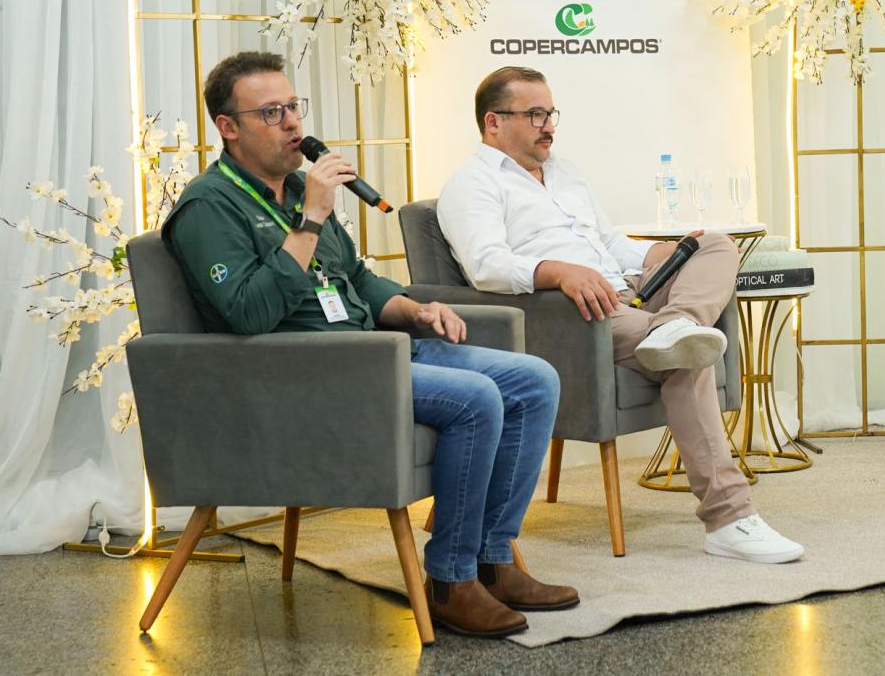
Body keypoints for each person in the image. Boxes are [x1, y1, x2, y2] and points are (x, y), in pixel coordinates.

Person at [163, 51, 578, 638]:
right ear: (228, 127)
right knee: (476, 398)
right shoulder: (209, 207)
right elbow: (248, 312)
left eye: (294, 107)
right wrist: (309, 222)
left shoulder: (300, 188)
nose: (292, 124)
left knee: (535, 380)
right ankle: (451, 580)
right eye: (271, 112)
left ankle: (493, 557)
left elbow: (352, 278)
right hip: (308, 373)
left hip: (372, 349)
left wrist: (414, 309)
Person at [437, 66, 804, 563]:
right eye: (535, 114)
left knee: (714, 244)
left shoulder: (564, 172)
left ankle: (678, 323)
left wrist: (665, 255)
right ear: (493, 122)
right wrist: (558, 272)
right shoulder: (472, 185)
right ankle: (729, 519)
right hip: (570, 315)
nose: (549, 125)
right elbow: (486, 267)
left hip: (627, 290)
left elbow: (609, 243)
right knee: (686, 358)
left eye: (551, 113)